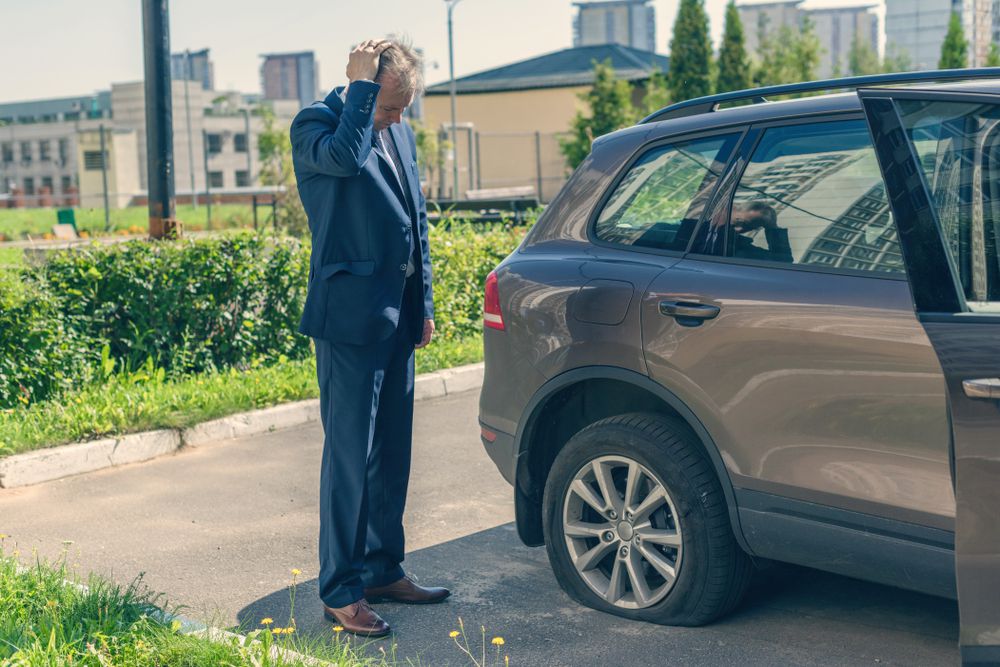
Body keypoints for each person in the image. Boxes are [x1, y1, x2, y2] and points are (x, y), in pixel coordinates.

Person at [290, 37, 449, 638]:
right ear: (360, 82)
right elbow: (344, 162)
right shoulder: (319, 124)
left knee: (392, 456)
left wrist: (424, 302)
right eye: (390, 107)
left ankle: (384, 569)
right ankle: (341, 590)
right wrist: (362, 97)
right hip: (348, 320)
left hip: (398, 318)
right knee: (351, 459)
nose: (399, 119)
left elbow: (416, 218)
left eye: (406, 106)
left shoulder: (398, 128)